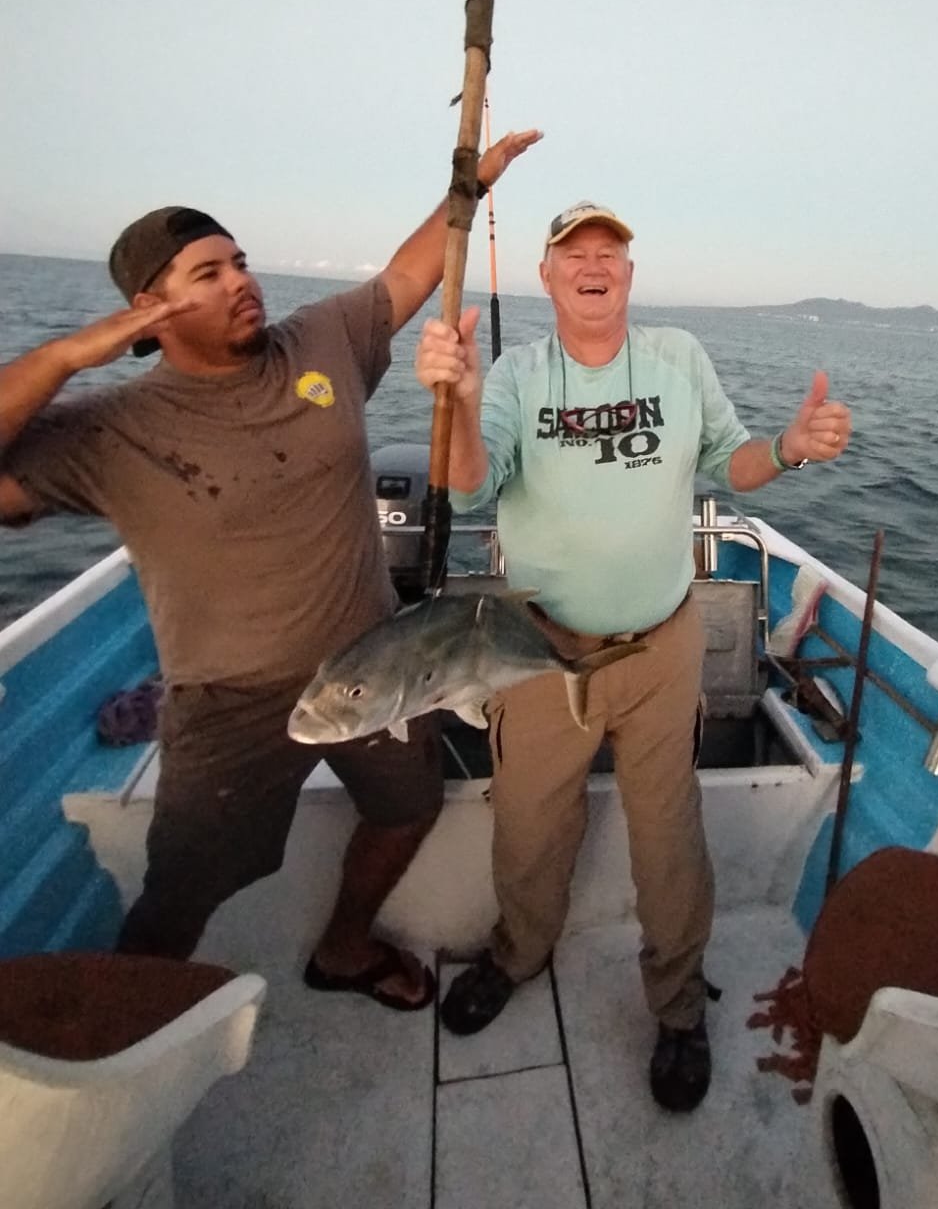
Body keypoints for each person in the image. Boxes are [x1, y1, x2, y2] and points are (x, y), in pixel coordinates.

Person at [0, 129, 539, 1009]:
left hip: (376, 660)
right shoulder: (109, 430)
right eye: (206, 273)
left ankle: (345, 947)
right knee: (183, 889)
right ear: (148, 309)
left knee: (409, 809)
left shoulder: (319, 340)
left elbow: (410, 275)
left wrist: (470, 183)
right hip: (229, 700)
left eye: (239, 262)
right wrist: (63, 357)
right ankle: (126, 1033)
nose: (239, 281)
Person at [413, 199, 851, 1106]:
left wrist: (790, 449)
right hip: (538, 648)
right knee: (528, 826)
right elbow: (469, 482)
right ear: (546, 277)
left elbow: (731, 462)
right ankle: (517, 952)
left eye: (609, 250)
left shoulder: (678, 357)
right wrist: (458, 401)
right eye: (573, 252)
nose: (593, 263)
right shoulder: (517, 374)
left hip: (660, 647)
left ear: (630, 274)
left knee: (670, 837)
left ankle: (679, 1006)